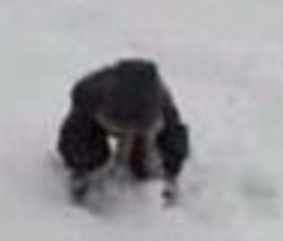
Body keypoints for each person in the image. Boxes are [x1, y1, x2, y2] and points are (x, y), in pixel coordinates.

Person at [57, 58, 190, 205]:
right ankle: (84, 165)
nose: (128, 130)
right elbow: (72, 135)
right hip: (105, 115)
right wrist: (78, 166)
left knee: (142, 170)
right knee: (85, 151)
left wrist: (171, 170)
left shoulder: (161, 101)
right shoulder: (89, 93)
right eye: (125, 127)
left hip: (143, 122)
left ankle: (140, 153)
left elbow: (174, 136)